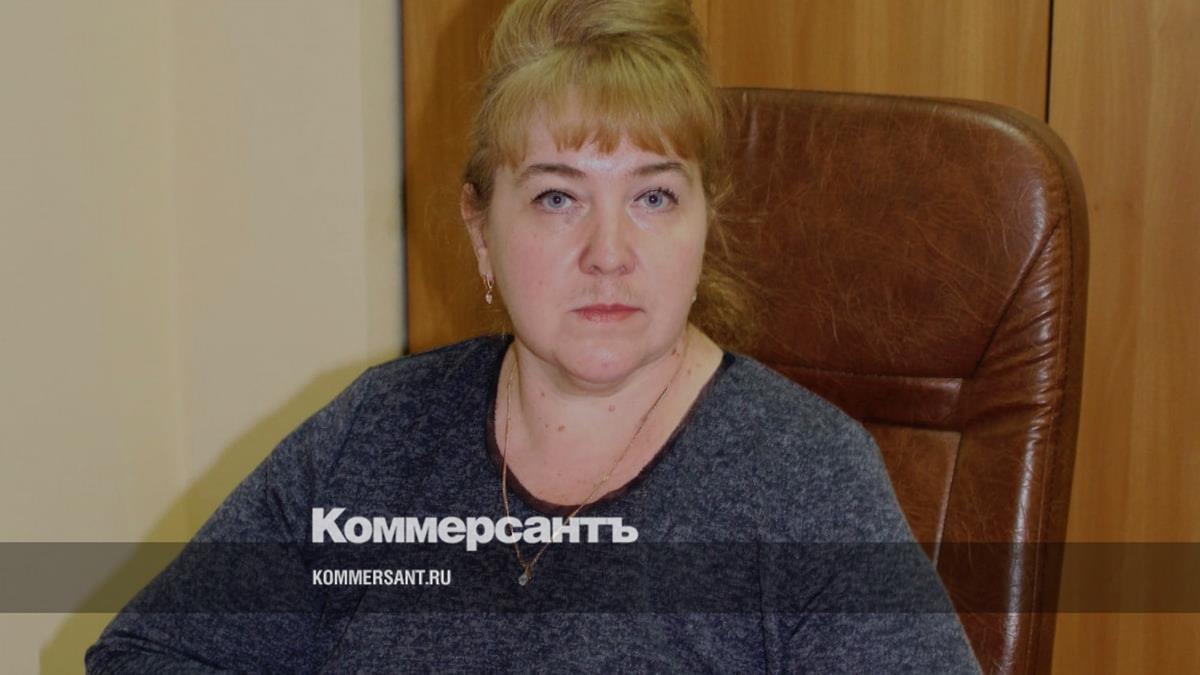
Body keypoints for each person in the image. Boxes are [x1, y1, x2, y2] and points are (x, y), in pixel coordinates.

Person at [86, 0, 981, 672]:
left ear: (705, 222)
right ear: (481, 230)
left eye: (653, 195)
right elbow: (148, 655)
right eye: (557, 196)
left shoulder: (805, 482)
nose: (609, 252)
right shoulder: (379, 434)